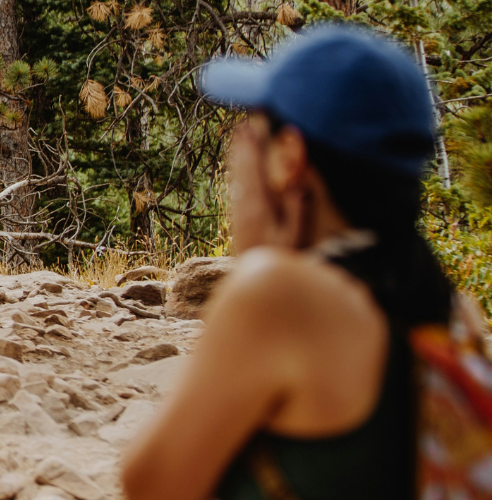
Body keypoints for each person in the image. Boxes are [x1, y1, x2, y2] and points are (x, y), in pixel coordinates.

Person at [121, 24, 465, 499]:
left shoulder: (278, 296)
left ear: (291, 158)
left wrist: (261, 260)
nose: (240, 145)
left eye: (255, 129)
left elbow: (150, 485)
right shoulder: (442, 303)